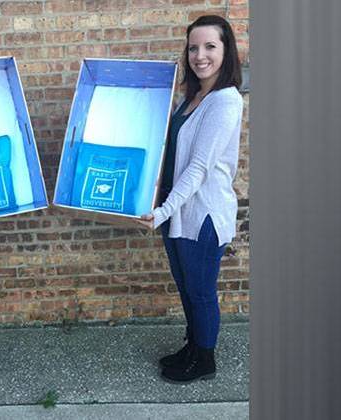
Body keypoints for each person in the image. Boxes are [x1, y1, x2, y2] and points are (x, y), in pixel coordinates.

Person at [140, 15, 244, 384]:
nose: (200, 55)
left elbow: (198, 167)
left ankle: (205, 360)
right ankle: (192, 345)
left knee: (200, 292)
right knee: (186, 288)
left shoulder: (224, 101)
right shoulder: (191, 97)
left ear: (226, 50)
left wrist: (162, 211)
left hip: (201, 215)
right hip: (175, 212)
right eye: (193, 47)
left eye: (210, 46)